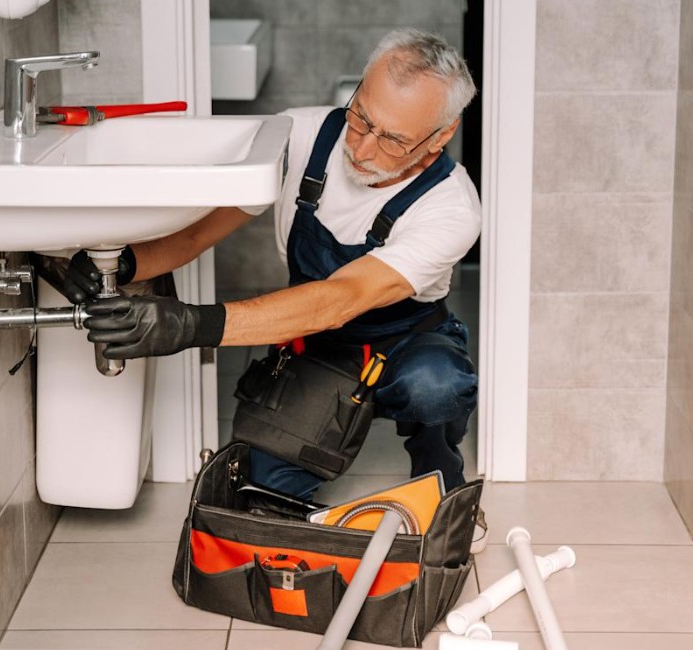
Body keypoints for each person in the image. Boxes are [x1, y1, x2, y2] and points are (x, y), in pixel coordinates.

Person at [61, 28, 482, 501]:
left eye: (393, 141)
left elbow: (341, 298)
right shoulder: (297, 137)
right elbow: (199, 232)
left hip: (408, 344)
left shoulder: (452, 208)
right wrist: (122, 264)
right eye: (361, 118)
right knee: (263, 490)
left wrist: (191, 324)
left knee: (437, 385)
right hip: (319, 345)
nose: (362, 150)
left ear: (441, 135)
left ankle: (441, 475)